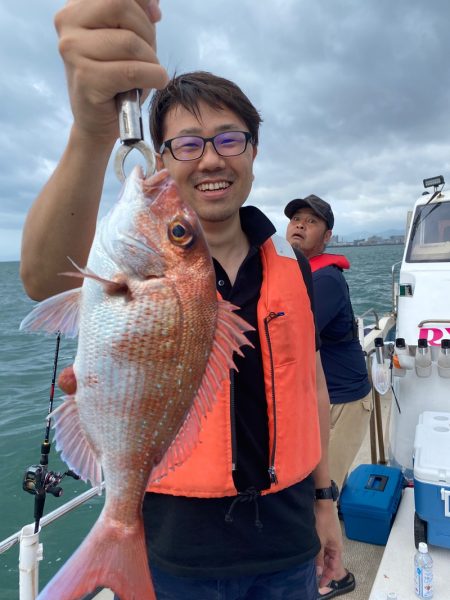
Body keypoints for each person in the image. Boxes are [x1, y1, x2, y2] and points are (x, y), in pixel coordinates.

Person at [20, 2, 343, 598]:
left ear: (253, 150)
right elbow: (43, 280)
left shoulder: (296, 265)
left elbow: (312, 388)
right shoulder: (122, 258)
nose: (212, 158)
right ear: (160, 159)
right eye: (188, 143)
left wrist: (327, 504)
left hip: (289, 540)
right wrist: (92, 128)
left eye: (229, 138)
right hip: (172, 547)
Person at [285, 195, 372, 600]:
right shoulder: (295, 275)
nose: (299, 226)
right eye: (295, 219)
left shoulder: (324, 280)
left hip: (342, 400)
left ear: (328, 235)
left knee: (323, 492)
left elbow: (285, 338)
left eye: (311, 221)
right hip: (323, 399)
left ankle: (335, 575)